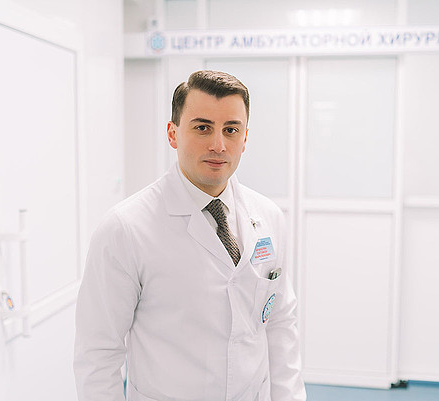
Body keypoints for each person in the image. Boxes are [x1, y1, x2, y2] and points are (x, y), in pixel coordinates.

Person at [74, 70, 306, 401]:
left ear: (244, 138)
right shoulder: (125, 229)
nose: (218, 145)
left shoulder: (267, 216)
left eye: (231, 130)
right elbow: (98, 354)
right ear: (173, 134)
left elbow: (281, 324)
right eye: (202, 128)